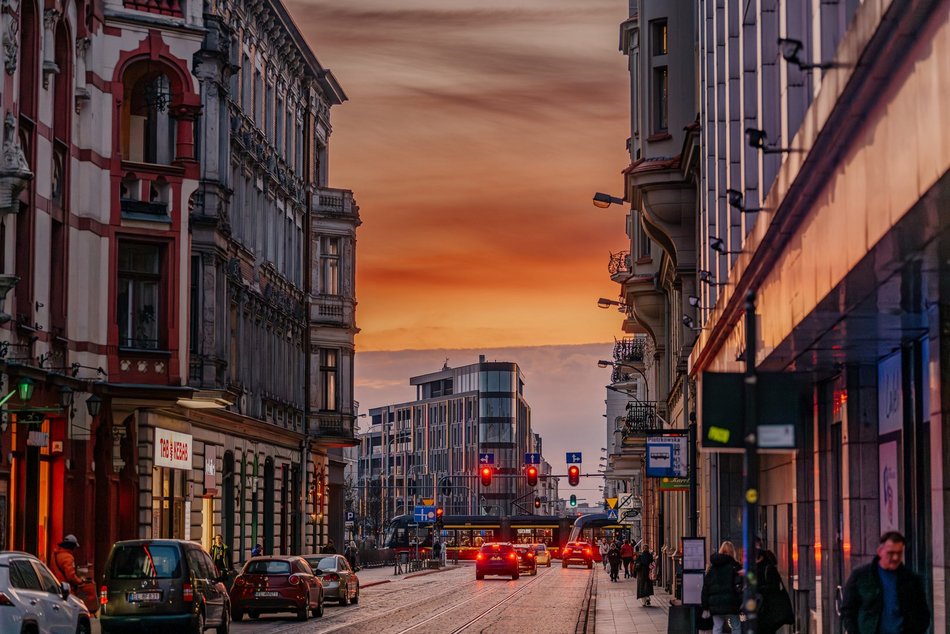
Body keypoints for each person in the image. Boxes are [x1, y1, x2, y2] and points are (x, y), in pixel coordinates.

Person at [840, 531, 930, 634]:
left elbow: (922, 614)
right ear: (880, 551)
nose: (895, 558)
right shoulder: (861, 576)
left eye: (899, 553)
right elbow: (848, 610)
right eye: (891, 553)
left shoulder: (911, 580)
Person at [701, 540, 742, 634]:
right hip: (732, 602)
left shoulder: (713, 568)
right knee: (735, 625)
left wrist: (705, 605)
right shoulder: (735, 566)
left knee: (717, 627)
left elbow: (706, 588)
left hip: (715, 603)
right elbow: (739, 585)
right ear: (732, 552)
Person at [51, 535, 97, 614]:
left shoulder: (55, 554)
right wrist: (80, 581)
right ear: (71, 546)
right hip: (66, 589)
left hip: (56, 586)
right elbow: (71, 576)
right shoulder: (68, 557)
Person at [756, 542, 794, 634]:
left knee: (765, 629)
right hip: (765, 607)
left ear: (760, 558)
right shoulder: (762, 568)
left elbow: (773, 586)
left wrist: (758, 589)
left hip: (768, 606)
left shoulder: (768, 569)